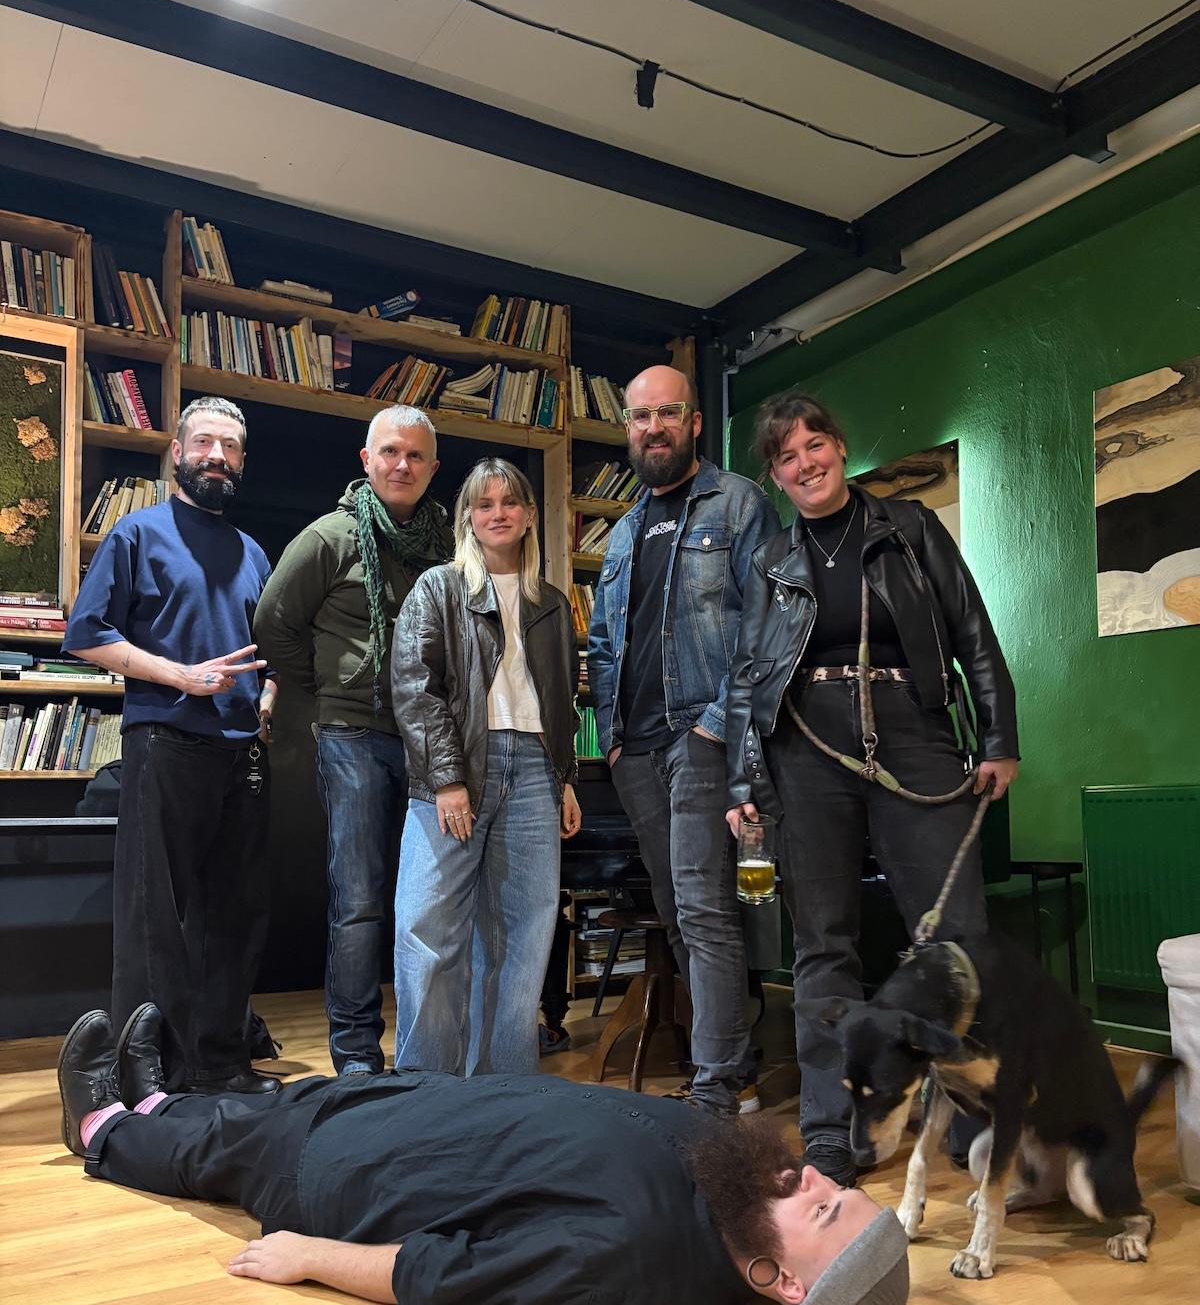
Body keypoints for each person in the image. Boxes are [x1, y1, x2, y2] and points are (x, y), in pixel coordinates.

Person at [57, 1004, 911, 1305]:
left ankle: (101, 1129)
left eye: (826, 1211)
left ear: (788, 1285)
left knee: (224, 1155)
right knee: (250, 1112)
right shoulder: (733, 1182)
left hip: (347, 1176)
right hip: (410, 1111)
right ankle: (160, 1099)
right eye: (833, 1188)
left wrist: (310, 1256)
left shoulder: (639, 1271)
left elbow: (446, 1274)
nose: (809, 1179)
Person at [726, 391, 1020, 1185]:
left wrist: (999, 738)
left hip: (913, 738)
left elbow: (973, 635)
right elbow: (748, 674)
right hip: (804, 748)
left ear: (840, 448)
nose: (804, 464)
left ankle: (973, 1123)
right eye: (785, 457)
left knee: (956, 940)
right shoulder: (770, 562)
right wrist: (743, 778)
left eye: (813, 446)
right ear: (776, 477)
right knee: (824, 942)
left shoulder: (911, 527)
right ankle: (833, 1131)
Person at [64, 396, 279, 1096]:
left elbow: (270, 656)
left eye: (231, 447)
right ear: (178, 453)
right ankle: (148, 1073)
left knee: (235, 913)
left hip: (242, 752)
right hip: (164, 741)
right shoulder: (137, 534)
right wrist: (178, 675)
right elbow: (88, 633)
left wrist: (267, 699)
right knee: (156, 914)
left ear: (243, 463)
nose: (217, 456)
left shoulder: (254, 553)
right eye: (205, 443)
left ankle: (221, 1062)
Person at [587, 365, 781, 1117]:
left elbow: (764, 625)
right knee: (676, 912)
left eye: (667, 412)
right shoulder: (626, 528)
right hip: (633, 750)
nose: (652, 427)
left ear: (694, 422)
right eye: (639, 417)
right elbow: (605, 642)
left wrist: (717, 723)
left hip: (700, 736)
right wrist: (608, 739)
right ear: (629, 430)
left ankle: (718, 1082)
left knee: (704, 909)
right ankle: (733, 1050)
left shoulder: (738, 503)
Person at [253, 406, 453, 1076]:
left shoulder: (449, 544)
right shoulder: (328, 538)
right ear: (365, 460)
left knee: (431, 898)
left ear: (431, 468)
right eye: (390, 452)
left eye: (416, 456)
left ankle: (430, 1047)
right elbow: (273, 622)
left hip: (432, 739)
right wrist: (331, 685)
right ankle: (357, 1053)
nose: (402, 465)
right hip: (355, 736)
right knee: (361, 899)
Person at [390, 458, 582, 1075]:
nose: (497, 513)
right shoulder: (439, 588)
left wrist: (565, 777)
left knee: (524, 936)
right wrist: (447, 779)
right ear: (468, 518)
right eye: (483, 504)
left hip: (533, 772)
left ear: (528, 515)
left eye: (509, 503)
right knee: (429, 931)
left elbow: (561, 702)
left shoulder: (551, 604)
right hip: (458, 767)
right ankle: (427, 1087)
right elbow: (415, 689)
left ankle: (504, 1090)